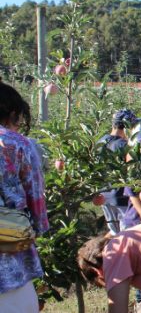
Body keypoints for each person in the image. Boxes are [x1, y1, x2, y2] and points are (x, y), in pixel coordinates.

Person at [0, 82, 48, 312]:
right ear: (12, 114)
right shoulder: (17, 144)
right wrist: (37, 229)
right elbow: (35, 199)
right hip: (8, 252)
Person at [97, 109, 139, 235]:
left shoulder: (100, 141)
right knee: (125, 235)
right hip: (121, 198)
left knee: (114, 232)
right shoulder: (123, 146)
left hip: (104, 197)